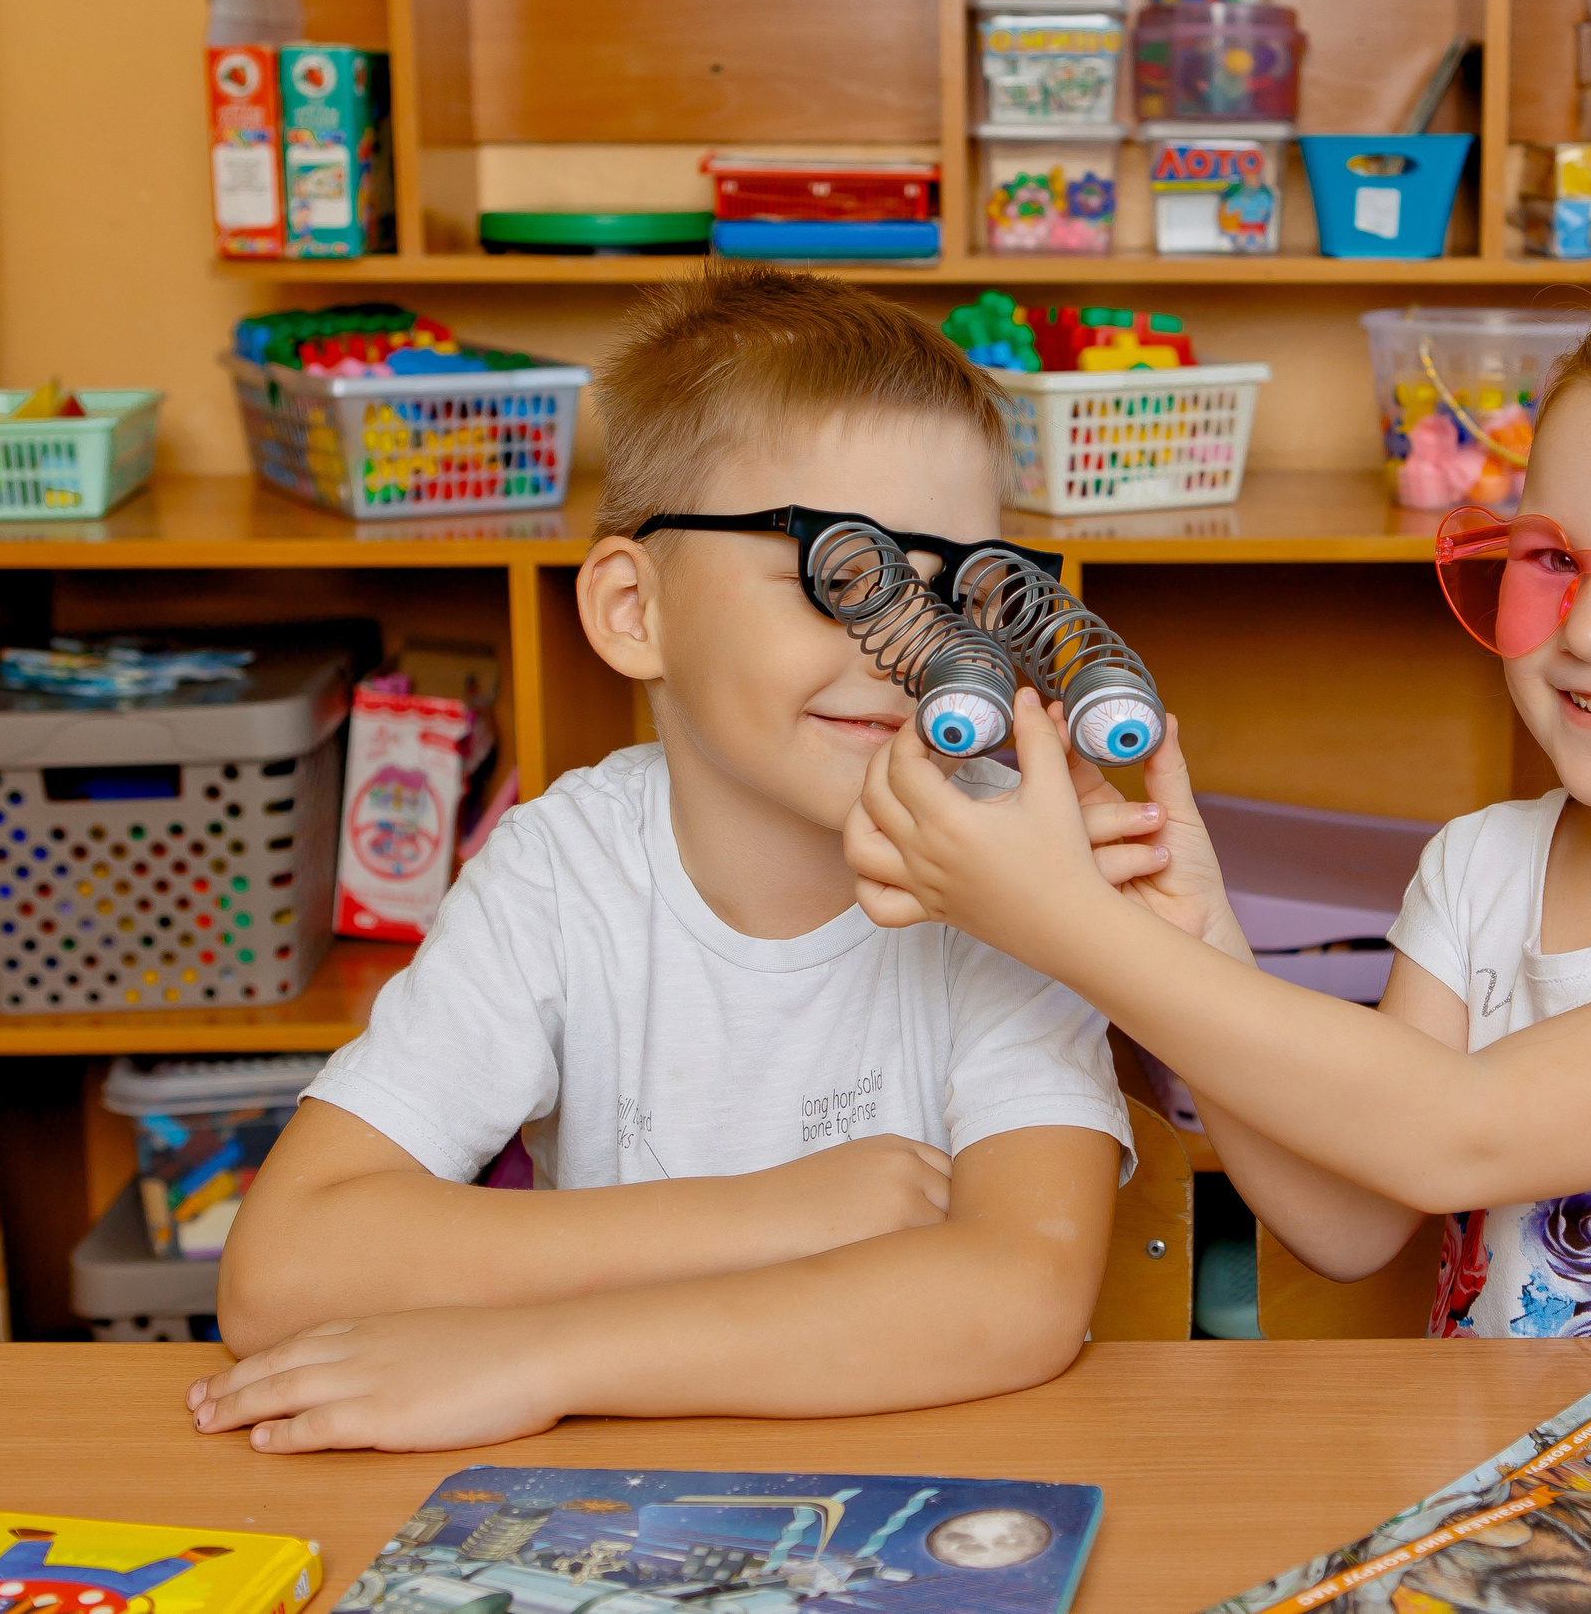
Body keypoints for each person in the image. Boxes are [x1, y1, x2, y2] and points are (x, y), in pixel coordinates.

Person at [849, 286, 1591, 1339]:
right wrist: (1192, 936)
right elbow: (1356, 1216)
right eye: (1548, 558)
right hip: (1517, 1519)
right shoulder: (1481, 867)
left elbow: (1454, 1136)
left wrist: (1065, 927)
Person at [196, 267, 1158, 1453]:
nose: (909, 653)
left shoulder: (1018, 874)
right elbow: (284, 1271)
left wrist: (537, 1357)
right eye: (840, 577)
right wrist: (769, 1217)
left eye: (955, 593)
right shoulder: (562, 871)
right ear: (632, 611)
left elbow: (1022, 1294)